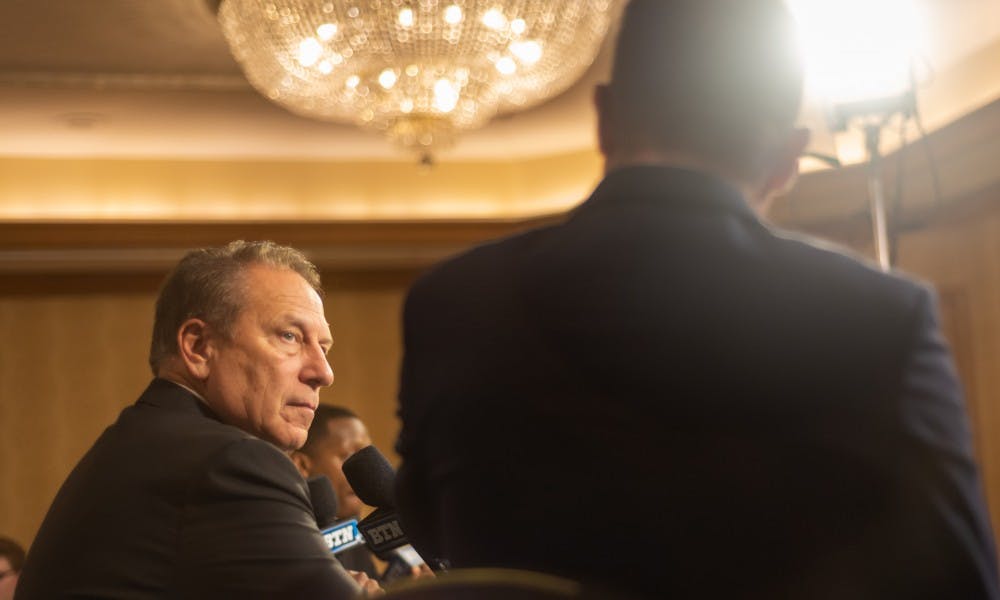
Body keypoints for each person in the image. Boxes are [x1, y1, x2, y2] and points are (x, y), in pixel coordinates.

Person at [394, 1, 1000, 598]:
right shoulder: (880, 320)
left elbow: (428, 530)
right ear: (788, 160)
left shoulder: (451, 306)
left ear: (604, 117)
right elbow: (962, 580)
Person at [16, 240, 379, 598]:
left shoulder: (145, 443)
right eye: (290, 336)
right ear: (198, 347)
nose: (323, 372)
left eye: (324, 347)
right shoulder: (231, 463)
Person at [293, 404, 378, 577]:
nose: (364, 470)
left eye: (366, 457)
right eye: (348, 456)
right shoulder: (288, 538)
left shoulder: (354, 532)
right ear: (302, 465)